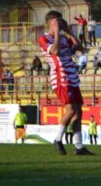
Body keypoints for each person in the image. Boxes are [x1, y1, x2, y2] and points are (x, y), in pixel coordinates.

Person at [39, 10, 93, 155]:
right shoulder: (44, 39)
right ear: (50, 22)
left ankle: (79, 146)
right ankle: (57, 139)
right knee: (70, 110)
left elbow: (80, 49)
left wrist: (69, 32)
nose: (60, 23)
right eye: (57, 21)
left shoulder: (64, 38)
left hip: (72, 77)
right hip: (60, 78)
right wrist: (56, 32)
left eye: (61, 21)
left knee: (78, 110)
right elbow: (55, 51)